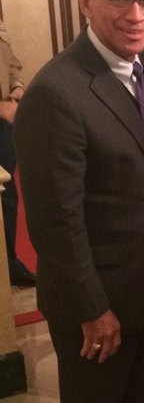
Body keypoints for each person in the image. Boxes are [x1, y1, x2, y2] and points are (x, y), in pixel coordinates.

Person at [13, 0, 144, 403]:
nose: (137, 14)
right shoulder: (55, 94)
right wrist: (93, 309)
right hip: (99, 311)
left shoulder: (143, 70)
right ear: (86, 0)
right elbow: (55, 222)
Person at [0, 17, 35, 287]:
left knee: (7, 193)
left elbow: (11, 63)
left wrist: (16, 90)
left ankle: (9, 262)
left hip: (4, 121)